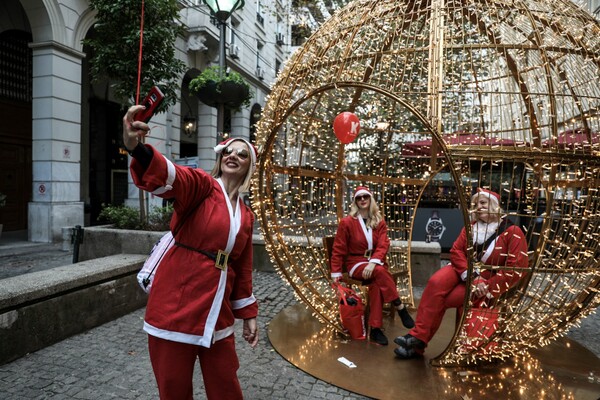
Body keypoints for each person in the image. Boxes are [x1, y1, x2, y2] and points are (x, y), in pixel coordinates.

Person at [122, 105, 259, 400]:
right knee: (174, 389)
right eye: (228, 152)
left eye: (242, 154)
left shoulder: (246, 215)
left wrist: (248, 314)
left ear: (250, 165)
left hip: (217, 309)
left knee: (226, 386)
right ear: (221, 158)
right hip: (176, 305)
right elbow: (175, 177)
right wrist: (136, 147)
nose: (234, 156)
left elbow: (243, 266)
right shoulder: (203, 187)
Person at [394, 188, 528, 359]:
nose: (478, 207)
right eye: (476, 204)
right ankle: (418, 338)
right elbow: (456, 250)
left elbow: (517, 267)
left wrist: (489, 286)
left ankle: (418, 342)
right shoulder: (471, 227)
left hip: (487, 278)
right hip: (464, 269)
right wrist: (470, 275)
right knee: (435, 282)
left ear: (493, 205)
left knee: (445, 299)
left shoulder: (512, 231)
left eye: (482, 203)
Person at [330, 186, 415, 346]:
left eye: (365, 197)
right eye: (359, 198)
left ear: (370, 199)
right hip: (355, 263)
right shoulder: (347, 222)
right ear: (355, 201)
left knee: (377, 284)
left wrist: (372, 262)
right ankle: (399, 305)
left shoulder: (378, 221)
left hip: (375, 264)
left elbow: (383, 244)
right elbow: (338, 248)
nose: (362, 200)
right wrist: (336, 273)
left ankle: (375, 329)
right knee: (381, 272)